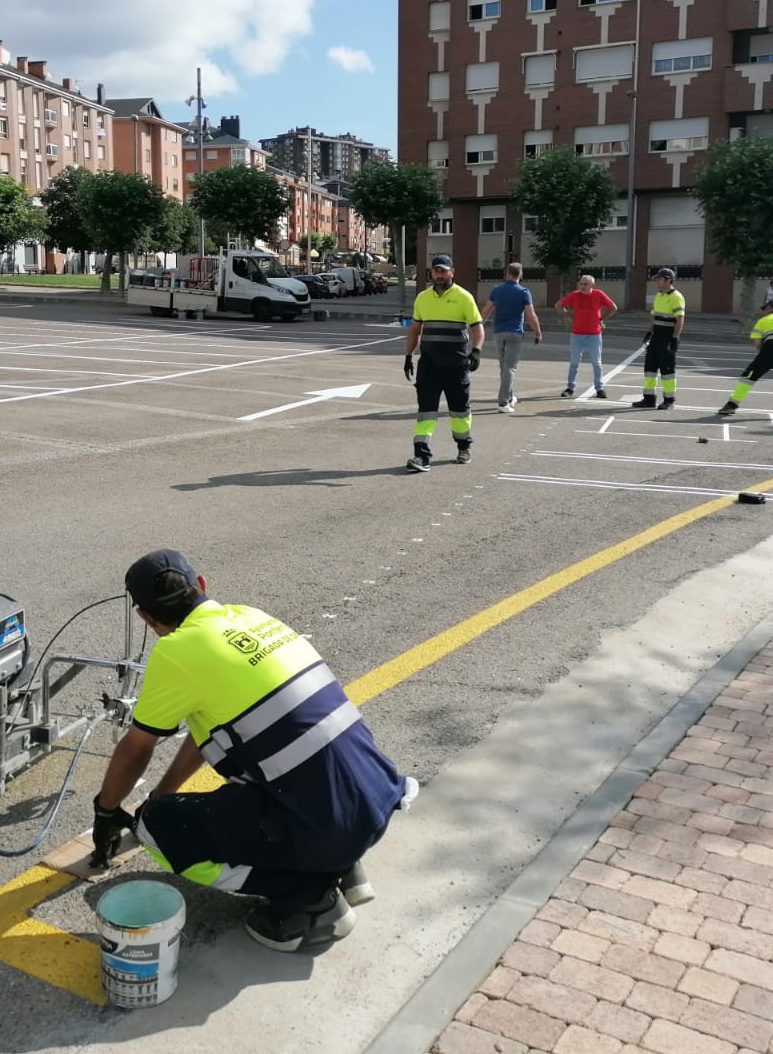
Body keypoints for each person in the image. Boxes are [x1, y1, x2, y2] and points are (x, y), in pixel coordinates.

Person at [90, 550, 415, 952]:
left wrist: (106, 811)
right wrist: (164, 790)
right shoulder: (251, 616)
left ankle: (309, 897)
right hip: (374, 796)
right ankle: (344, 863)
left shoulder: (177, 651)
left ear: (144, 616)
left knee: (155, 827)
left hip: (331, 825)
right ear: (203, 585)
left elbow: (136, 749)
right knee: (269, 772)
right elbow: (210, 726)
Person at [403, 254, 483, 472]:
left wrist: (476, 351)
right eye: (436, 270)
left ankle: (464, 446)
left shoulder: (464, 297)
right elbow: (415, 329)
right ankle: (421, 456)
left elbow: (477, 327)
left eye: (443, 270)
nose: (439, 274)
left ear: (452, 272)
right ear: (431, 272)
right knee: (426, 410)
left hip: (456, 365)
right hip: (429, 365)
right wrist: (409, 355)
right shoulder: (422, 298)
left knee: (459, 411)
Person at [717, 299, 773, 418]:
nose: (763, 311)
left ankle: (731, 405)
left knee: (749, 377)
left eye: (765, 308)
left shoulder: (763, 321)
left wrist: (765, 352)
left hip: (769, 351)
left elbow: (757, 344)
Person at [480, 262, 542, 414]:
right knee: (510, 367)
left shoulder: (497, 290)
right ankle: (503, 402)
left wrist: (478, 325)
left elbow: (486, 310)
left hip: (498, 332)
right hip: (515, 332)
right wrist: (537, 332)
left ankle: (510, 396)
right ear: (520, 275)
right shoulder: (524, 292)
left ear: (506, 274)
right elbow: (531, 315)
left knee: (504, 367)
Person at [555, 274, 618, 400]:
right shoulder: (574, 295)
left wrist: (601, 318)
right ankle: (570, 388)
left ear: (592, 285)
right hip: (577, 334)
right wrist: (567, 316)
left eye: (585, 284)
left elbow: (613, 307)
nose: (582, 286)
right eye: (581, 284)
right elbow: (558, 305)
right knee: (574, 362)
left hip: (594, 334)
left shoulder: (598, 294)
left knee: (596, 363)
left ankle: (599, 388)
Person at [634, 268, 686, 410]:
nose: (656, 281)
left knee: (667, 370)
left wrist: (675, 338)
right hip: (656, 337)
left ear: (668, 280)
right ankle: (649, 398)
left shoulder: (676, 296)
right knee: (649, 368)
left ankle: (669, 400)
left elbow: (680, 319)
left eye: (659, 279)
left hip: (667, 338)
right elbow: (655, 317)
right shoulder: (659, 295)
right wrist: (649, 332)